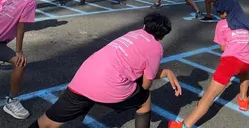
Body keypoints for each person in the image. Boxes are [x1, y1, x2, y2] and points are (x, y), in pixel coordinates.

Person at [28, 14, 182, 128]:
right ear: (162, 35)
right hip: (109, 85)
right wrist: (163, 73)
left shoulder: (133, 33)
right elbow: (146, 84)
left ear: (145, 26)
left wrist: (166, 72)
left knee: (47, 122)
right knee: (144, 99)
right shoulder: (156, 47)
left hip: (83, 78)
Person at [169, 0, 249, 128]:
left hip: (230, 62)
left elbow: (223, 47)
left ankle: (184, 125)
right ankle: (243, 99)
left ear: (226, 11)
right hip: (247, 59)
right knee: (245, 74)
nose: (219, 15)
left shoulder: (222, 24)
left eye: (221, 12)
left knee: (209, 96)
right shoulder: (243, 21)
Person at [0, 0, 38, 120]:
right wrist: (19, 51)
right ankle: (12, 101)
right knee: (20, 63)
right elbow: (21, 26)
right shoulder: (30, 2)